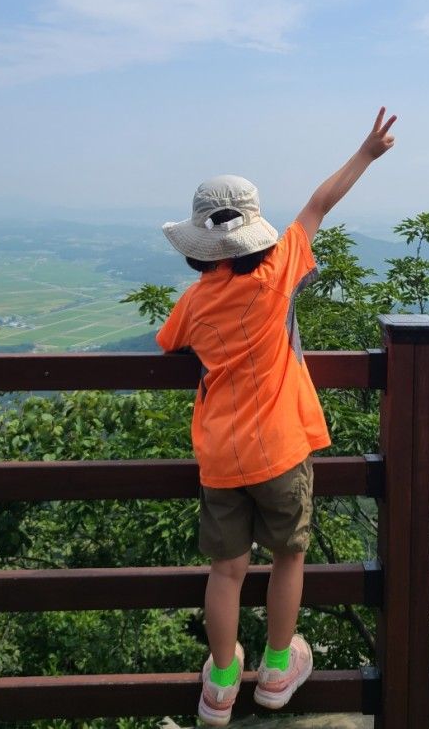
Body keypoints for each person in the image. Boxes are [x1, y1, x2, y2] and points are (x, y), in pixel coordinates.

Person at [156, 107, 397, 727]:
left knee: (227, 570)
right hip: (282, 448)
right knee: (289, 556)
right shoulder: (278, 271)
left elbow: (167, 342)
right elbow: (318, 206)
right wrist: (366, 154)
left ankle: (221, 686)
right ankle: (276, 669)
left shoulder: (194, 301)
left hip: (220, 456)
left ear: (199, 244)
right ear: (253, 231)